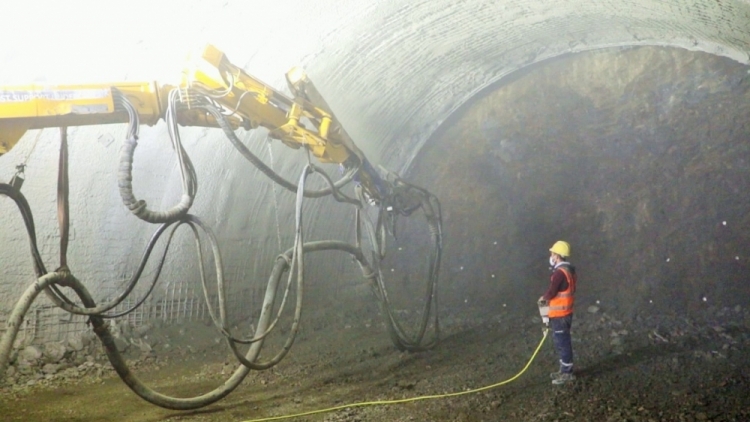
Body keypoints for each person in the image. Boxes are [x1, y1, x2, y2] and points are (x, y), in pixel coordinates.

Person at [539, 240, 577, 385]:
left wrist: (542, 303)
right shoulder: (570, 271)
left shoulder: (560, 273)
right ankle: (564, 369)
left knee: (562, 342)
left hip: (559, 315)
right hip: (566, 312)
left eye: (552, 253)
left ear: (557, 255)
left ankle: (567, 373)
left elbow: (551, 292)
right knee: (562, 341)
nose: (551, 255)